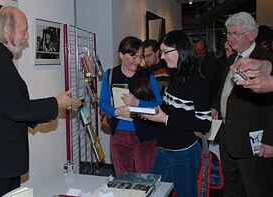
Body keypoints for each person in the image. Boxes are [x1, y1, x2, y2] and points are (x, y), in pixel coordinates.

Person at [0, 6, 81, 197]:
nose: (26, 37)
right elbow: (15, 108)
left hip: (1, 161)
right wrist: (55, 103)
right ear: (7, 31)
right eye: (23, 31)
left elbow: (6, 104)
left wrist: (35, 117)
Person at [142, 30, 212, 197]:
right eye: (162, 52)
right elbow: (173, 110)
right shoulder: (175, 75)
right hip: (164, 148)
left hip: (183, 152)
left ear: (181, 50)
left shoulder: (197, 81)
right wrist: (154, 113)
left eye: (166, 52)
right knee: (154, 193)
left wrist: (165, 118)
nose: (163, 57)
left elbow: (204, 124)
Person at [212, 12, 273, 197]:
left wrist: (270, 140)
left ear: (251, 34)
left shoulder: (266, 60)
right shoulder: (232, 59)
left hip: (254, 139)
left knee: (256, 188)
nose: (230, 38)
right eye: (228, 34)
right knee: (232, 188)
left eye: (235, 33)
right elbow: (225, 90)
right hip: (227, 135)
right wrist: (216, 106)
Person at [99, 36, 162, 176]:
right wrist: (116, 112)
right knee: (123, 178)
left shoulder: (147, 75)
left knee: (145, 178)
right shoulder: (110, 75)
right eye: (134, 57)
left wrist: (138, 103)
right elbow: (103, 102)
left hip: (145, 135)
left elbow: (159, 103)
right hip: (118, 135)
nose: (138, 61)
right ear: (121, 55)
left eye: (140, 57)